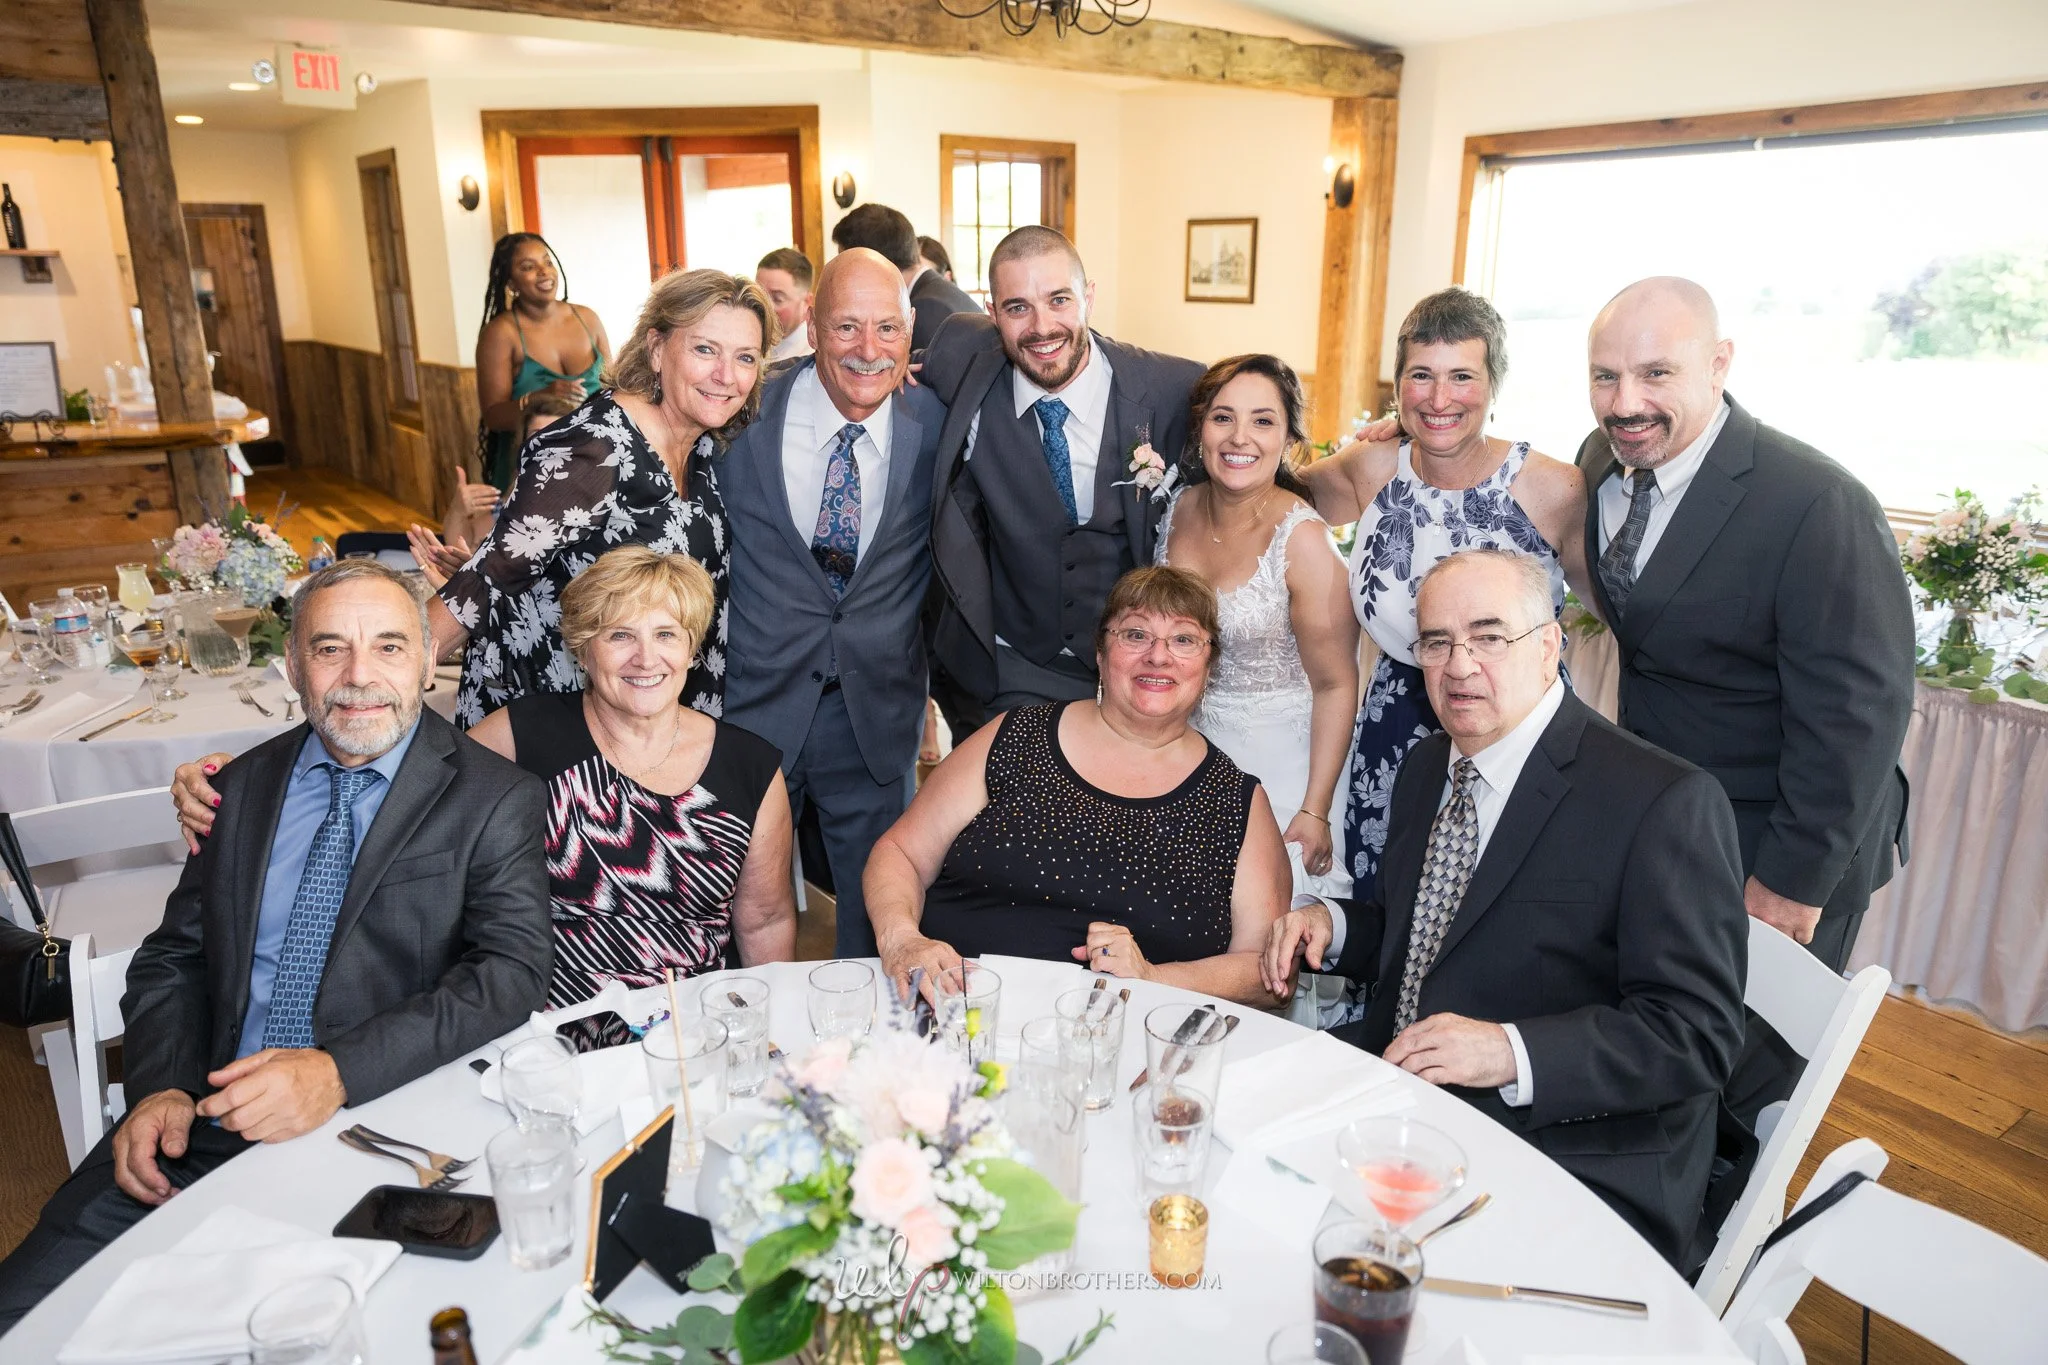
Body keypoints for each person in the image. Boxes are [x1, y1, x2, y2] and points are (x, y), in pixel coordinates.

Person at [0, 561, 551, 1326]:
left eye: (389, 646)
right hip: (201, 1122)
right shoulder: (237, 788)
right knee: (25, 1316)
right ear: (293, 666)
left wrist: (337, 1071)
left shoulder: (495, 797)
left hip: (376, 1134)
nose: (360, 676)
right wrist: (160, 1086)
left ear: (429, 662)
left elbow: (510, 972)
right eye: (330, 648)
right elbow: (173, 957)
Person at [1261, 549, 1748, 1268]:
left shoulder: (1660, 800)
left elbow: (1696, 1034)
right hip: (1405, 1104)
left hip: (1568, 1149)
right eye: (1436, 642)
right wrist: (1333, 926)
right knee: (1247, 1182)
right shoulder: (1428, 765)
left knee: (1314, 1248)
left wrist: (1509, 1050)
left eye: (1488, 637)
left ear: (1550, 645)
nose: (1459, 666)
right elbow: (1426, 935)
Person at [1576, 277, 1915, 1211]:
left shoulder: (1816, 503)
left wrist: (1793, 882)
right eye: (1604, 376)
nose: (1626, 402)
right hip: (1673, 817)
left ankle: (1719, 1252)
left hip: (1785, 836)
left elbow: (1859, 713)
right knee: (1665, 1041)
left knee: (1743, 1084)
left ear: (1720, 364)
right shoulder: (1604, 461)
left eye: (1656, 373)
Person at [172, 548, 796, 1005]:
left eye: (667, 635)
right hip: (542, 1022)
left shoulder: (748, 766)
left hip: (692, 1023)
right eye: (619, 636)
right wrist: (241, 779)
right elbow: (393, 761)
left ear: (692, 648)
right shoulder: (524, 734)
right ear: (583, 648)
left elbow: (764, 922)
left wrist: (767, 1027)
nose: (646, 658)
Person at [868, 566, 1290, 1009]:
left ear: (1209, 667)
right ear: (1101, 653)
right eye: (1136, 635)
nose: (1158, 656)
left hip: (1124, 1039)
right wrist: (902, 939)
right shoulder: (1016, 736)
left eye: (1184, 639)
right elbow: (900, 853)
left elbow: (1266, 970)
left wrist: (1153, 978)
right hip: (956, 1015)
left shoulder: (1234, 800)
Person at [1302, 288, 1588, 894]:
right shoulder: (1373, 468)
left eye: (1462, 377)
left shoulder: (1551, 488)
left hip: (1515, 728)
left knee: (1506, 900)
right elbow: (1268, 501)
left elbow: (1617, 605)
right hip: (1395, 727)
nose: (1439, 399)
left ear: (1494, 384)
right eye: (1421, 376)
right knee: (1390, 901)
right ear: (1398, 384)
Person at [411, 268, 773, 727]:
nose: (726, 376)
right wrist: (392, 676)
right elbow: (487, 578)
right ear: (656, 348)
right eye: (705, 349)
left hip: (653, 713)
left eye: (745, 358)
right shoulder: (595, 448)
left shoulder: (701, 444)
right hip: (564, 723)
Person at [717, 248, 945, 957]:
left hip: (875, 715)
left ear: (910, 332)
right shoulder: (743, 411)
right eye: (847, 327)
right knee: (737, 914)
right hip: (751, 707)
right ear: (811, 326)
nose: (869, 350)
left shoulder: (935, 421)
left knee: (879, 922)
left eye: (887, 328)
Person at [923, 225, 1204, 727]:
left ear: (1088, 297)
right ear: (992, 313)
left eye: (1059, 300)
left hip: (1141, 673)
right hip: (1013, 664)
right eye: (1018, 308)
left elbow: (1248, 451)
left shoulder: (1173, 389)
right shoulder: (960, 363)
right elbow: (872, 366)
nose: (1042, 327)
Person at [1155, 353, 1358, 899]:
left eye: (1262, 421)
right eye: (1222, 417)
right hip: (1187, 755)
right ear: (1200, 428)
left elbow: (1337, 684)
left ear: (1288, 438)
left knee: (1267, 922)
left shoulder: (1304, 541)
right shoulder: (1178, 508)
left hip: (1284, 772)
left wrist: (1315, 808)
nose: (1239, 437)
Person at [474, 232, 611, 492]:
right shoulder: (501, 334)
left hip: (593, 463)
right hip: (529, 469)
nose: (544, 271)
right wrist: (539, 398)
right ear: (511, 283)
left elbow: (613, 391)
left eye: (547, 261)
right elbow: (493, 417)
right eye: (528, 267)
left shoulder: (588, 319)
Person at [830, 203, 980, 351]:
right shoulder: (939, 293)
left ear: (873, 260)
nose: (846, 276)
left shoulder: (925, 309)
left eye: (848, 265)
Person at [757, 247, 815, 363]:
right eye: (760, 295)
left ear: (806, 302)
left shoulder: (811, 358)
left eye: (777, 299)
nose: (764, 307)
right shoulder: (752, 340)